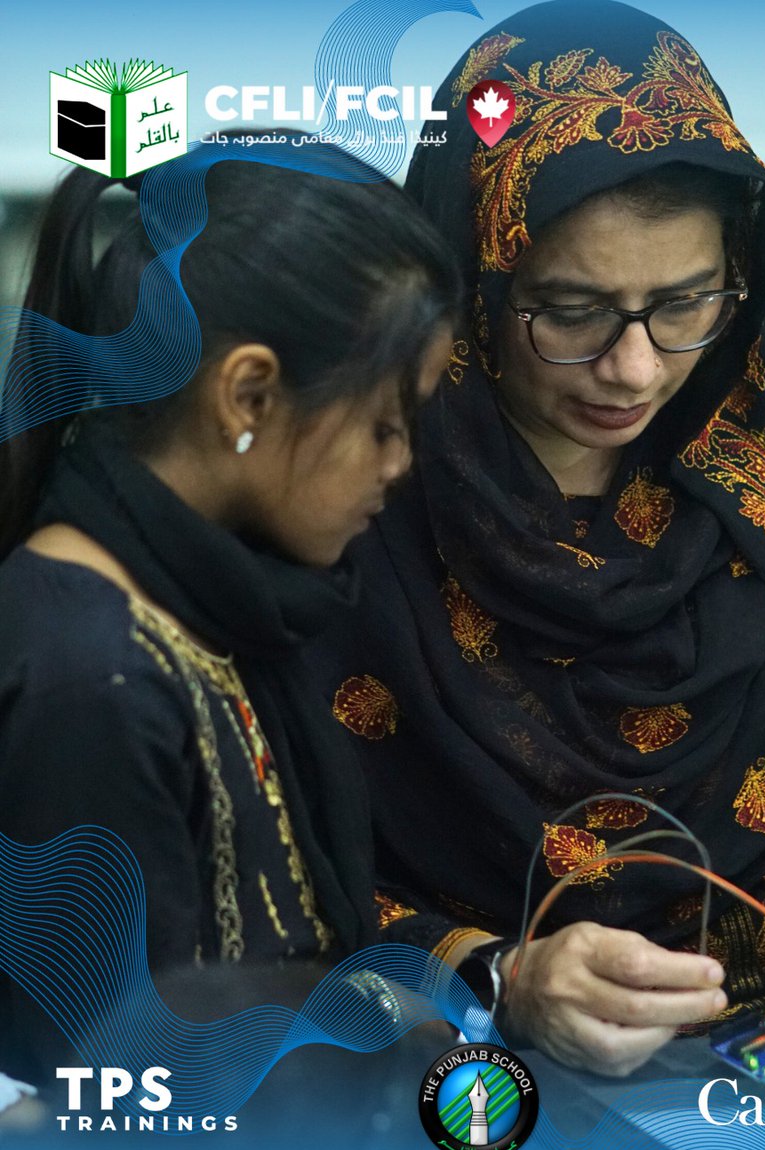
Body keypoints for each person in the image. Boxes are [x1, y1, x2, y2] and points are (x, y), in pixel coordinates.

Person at [329, 0, 765, 1075]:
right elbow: (257, 882)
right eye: (569, 311)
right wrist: (498, 974)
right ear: (475, 281)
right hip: (444, 1062)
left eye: (686, 302)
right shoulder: (355, 467)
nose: (635, 369)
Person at [0, 138, 458, 1082]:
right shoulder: (93, 679)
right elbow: (126, 1098)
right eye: (384, 421)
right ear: (247, 393)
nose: (401, 462)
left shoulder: (216, 590)